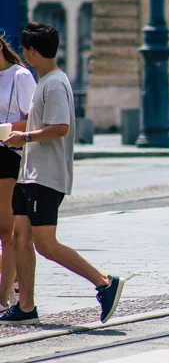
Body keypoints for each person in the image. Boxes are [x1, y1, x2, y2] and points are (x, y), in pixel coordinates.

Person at [0, 22, 125, 325]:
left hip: (46, 175)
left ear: (30, 51)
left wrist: (24, 137)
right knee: (19, 237)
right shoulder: (45, 80)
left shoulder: (54, 83)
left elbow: (61, 128)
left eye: (26, 50)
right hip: (29, 173)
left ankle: (105, 282)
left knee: (45, 244)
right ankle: (26, 306)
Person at [0, 35, 36, 315]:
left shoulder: (20, 77)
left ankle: (4, 297)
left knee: (6, 229)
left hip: (6, 156)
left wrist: (6, 127)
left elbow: (36, 120)